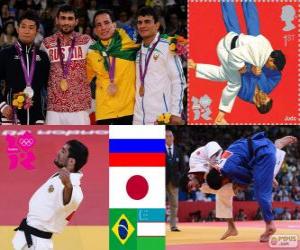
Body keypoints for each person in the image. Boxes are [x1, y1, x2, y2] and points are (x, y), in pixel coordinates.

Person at [189, 2, 286, 124]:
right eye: (267, 96)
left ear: (258, 104)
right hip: (254, 52)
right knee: (254, 28)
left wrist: (251, 70)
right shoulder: (267, 87)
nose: (265, 94)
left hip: (238, 55)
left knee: (232, 29)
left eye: (264, 98)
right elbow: (277, 74)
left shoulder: (244, 94)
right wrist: (262, 66)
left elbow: (232, 74)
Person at [188, 135, 297, 240]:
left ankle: (270, 225)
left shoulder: (226, 169)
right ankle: (231, 227)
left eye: (225, 182)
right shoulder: (221, 162)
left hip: (263, 152)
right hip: (249, 146)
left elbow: (248, 177)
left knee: (261, 193)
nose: (227, 183)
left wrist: (266, 177)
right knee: (229, 189)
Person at [12, 140, 89, 250]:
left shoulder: (75, 190)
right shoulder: (60, 175)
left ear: (71, 161)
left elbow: (69, 198)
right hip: (28, 238)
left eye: (63, 151)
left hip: (36, 244)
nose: (58, 152)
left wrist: (68, 185)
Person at [133, 7, 186, 125]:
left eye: (147, 21)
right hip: (138, 117)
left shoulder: (167, 47)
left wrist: (176, 113)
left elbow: (178, 81)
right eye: (140, 22)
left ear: (157, 25)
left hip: (161, 116)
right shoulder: (137, 51)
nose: (142, 25)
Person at [41, 5, 93, 125]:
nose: (66, 22)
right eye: (63, 18)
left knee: (81, 142)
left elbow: (99, 65)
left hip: (79, 106)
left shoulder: (86, 41)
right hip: (54, 107)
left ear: (76, 21)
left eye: (70, 19)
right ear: (57, 20)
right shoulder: (47, 43)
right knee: (52, 143)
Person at [86, 9, 139, 124]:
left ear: (114, 25)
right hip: (104, 112)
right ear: (95, 30)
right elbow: (84, 79)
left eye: (106, 23)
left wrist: (174, 43)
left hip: (129, 110)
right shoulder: (92, 51)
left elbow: (151, 39)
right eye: (98, 25)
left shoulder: (127, 39)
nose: (103, 27)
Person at [0, 10, 50, 125]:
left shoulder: (42, 57)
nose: (27, 31)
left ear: (37, 31)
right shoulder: (5, 54)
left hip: (37, 115)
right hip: (11, 114)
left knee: (37, 144)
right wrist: (2, 105)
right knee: (10, 143)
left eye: (31, 27)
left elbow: (49, 86)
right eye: (23, 27)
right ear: (17, 29)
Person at [166, 129, 187, 232]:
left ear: (173, 137)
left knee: (174, 204)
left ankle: (173, 226)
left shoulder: (178, 150)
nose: (169, 138)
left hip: (174, 182)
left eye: (170, 136)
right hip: (160, 180)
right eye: (167, 136)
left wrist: (178, 177)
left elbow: (182, 167)